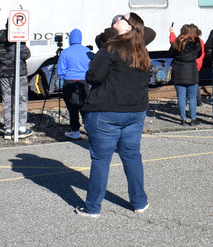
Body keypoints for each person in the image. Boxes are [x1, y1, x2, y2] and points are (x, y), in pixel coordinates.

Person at [77, 14, 153, 217]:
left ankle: (93, 207)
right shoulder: (141, 50)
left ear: (130, 27)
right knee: (132, 156)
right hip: (135, 111)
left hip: (106, 111)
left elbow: (93, 77)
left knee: (101, 160)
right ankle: (139, 202)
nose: (117, 19)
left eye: (123, 18)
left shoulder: (110, 49)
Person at [0, 21, 32, 139]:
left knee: (7, 100)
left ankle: (8, 129)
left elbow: (1, 57)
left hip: (4, 74)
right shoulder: (18, 39)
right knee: (21, 99)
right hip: (19, 73)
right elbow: (26, 54)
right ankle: (21, 128)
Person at [57, 28, 92, 140]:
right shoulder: (87, 51)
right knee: (85, 106)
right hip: (84, 82)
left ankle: (75, 130)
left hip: (69, 82)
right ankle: (90, 129)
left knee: (72, 107)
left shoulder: (65, 52)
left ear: (70, 39)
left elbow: (61, 71)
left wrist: (65, 78)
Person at [168, 23, 202, 125]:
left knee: (181, 97)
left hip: (179, 71)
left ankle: (182, 119)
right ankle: (193, 119)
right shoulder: (197, 42)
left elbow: (170, 53)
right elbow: (199, 54)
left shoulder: (178, 41)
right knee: (192, 97)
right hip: (191, 70)